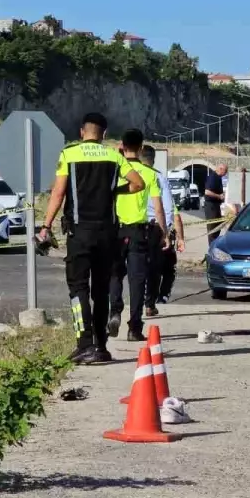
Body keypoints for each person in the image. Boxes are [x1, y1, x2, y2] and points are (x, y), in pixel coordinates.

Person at [37, 113, 151, 364]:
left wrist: (46, 225)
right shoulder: (113, 156)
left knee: (78, 288)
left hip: (79, 232)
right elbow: (138, 184)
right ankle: (101, 347)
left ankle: (84, 343)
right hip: (107, 234)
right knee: (101, 291)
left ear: (82, 132)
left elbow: (58, 193)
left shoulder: (69, 154)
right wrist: (115, 191)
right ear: (104, 134)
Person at [108, 131, 167, 342]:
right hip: (139, 232)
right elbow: (158, 208)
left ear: (122, 146)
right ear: (141, 148)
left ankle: (114, 311)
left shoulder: (116, 171)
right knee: (137, 280)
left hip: (116, 230)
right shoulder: (149, 174)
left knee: (115, 274)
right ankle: (134, 328)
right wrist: (164, 233)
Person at [143, 144, 185, 310]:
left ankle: (138, 302)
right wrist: (173, 236)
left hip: (133, 228)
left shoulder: (129, 173)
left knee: (138, 268)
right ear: (153, 160)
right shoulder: (159, 177)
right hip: (156, 229)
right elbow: (170, 212)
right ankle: (156, 299)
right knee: (163, 267)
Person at [203, 163, 226, 243]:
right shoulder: (213, 177)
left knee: (218, 226)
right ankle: (212, 246)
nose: (226, 173)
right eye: (225, 171)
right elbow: (207, 192)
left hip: (216, 206)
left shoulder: (218, 178)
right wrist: (219, 196)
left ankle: (214, 243)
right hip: (211, 206)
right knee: (212, 229)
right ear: (220, 169)